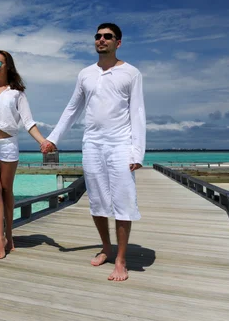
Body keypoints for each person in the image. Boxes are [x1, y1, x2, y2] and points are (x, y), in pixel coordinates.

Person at [41, 23, 146, 281]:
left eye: (107, 37)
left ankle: (121, 260)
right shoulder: (85, 74)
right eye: (98, 36)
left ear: (118, 42)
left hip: (120, 145)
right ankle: (107, 248)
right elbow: (72, 109)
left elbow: (138, 113)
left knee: (123, 201)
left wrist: (137, 153)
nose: (101, 40)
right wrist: (53, 138)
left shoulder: (132, 73)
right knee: (97, 201)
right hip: (92, 145)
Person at [0, 50, 47, 259]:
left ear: (8, 66)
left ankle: (9, 234)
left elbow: (28, 122)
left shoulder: (17, 93)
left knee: (6, 190)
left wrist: (43, 142)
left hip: (8, 145)